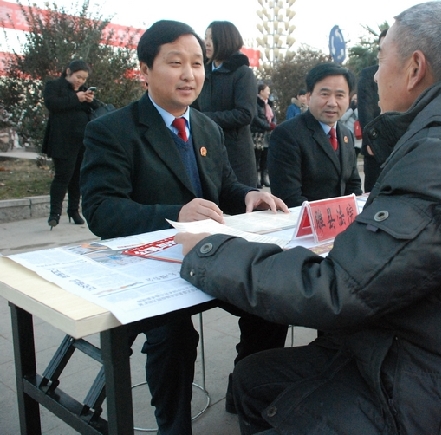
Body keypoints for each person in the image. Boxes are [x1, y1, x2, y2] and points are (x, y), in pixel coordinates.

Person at [175, 2, 441, 433]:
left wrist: (210, 251)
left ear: (414, 68)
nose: (374, 78)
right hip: (435, 350)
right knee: (254, 377)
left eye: (380, 60)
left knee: (268, 388)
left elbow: (338, 290)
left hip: (433, 392)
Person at [80, 20, 289, 434]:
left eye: (197, 63)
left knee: (273, 299)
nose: (190, 74)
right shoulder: (112, 130)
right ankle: (173, 426)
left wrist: (250, 194)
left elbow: (223, 187)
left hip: (208, 256)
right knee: (173, 336)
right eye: (175, 63)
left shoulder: (206, 126)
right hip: (151, 267)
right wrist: (177, 213)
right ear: (145, 69)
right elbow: (101, 210)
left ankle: (243, 391)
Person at [267, 62, 362, 208]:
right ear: (309, 97)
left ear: (348, 99)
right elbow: (289, 197)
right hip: (302, 219)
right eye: (325, 94)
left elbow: (353, 184)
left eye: (339, 95)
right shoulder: (287, 135)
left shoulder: (346, 135)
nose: (332, 103)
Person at [192, 21, 258, 188]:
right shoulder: (202, 72)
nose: (206, 43)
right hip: (205, 148)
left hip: (235, 153)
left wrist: (204, 119)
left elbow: (245, 114)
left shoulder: (242, 73)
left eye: (211, 38)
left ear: (225, 40)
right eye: (205, 37)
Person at [42, 60, 100, 229]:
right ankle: (54, 213)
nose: (80, 81)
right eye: (78, 76)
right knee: (63, 176)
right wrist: (76, 98)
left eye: (83, 78)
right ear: (68, 72)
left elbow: (95, 108)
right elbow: (53, 104)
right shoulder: (54, 87)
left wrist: (90, 100)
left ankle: (74, 211)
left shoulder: (83, 90)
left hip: (81, 141)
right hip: (62, 141)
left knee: (78, 178)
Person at [357, 28, 387, 192]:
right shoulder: (369, 75)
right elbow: (365, 112)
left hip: (403, 146)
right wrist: (373, 141)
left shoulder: (408, 74)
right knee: (374, 192)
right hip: (375, 146)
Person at [250, 83, 275, 188]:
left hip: (267, 135)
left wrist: (273, 125)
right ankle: (256, 179)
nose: (269, 93)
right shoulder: (255, 103)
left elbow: (273, 117)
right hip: (258, 133)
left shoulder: (269, 104)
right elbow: (255, 118)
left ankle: (264, 178)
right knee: (257, 157)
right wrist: (267, 126)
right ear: (261, 91)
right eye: (267, 90)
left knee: (265, 157)